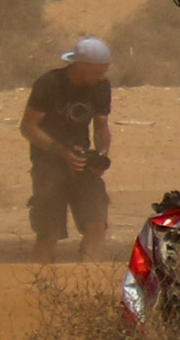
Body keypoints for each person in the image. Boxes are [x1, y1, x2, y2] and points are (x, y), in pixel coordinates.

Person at [22, 36, 117, 263]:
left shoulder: (101, 87)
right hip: (49, 166)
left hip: (83, 163)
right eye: (97, 72)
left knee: (97, 223)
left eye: (104, 71)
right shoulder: (49, 84)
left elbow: (101, 126)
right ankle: (40, 283)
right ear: (81, 65)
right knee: (48, 232)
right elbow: (28, 127)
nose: (102, 77)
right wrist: (60, 151)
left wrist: (101, 155)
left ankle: (89, 280)